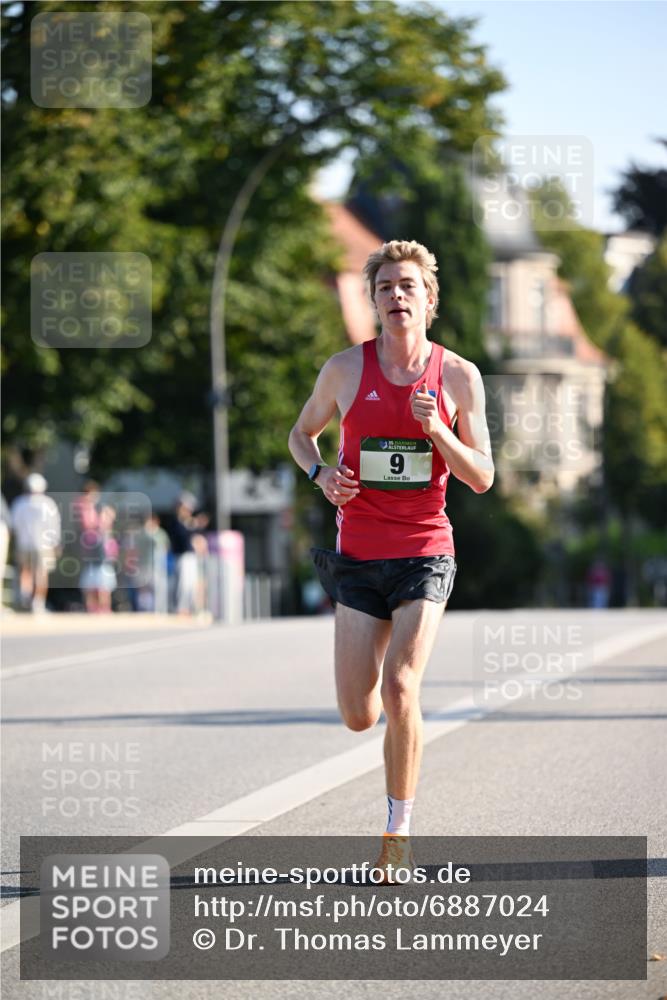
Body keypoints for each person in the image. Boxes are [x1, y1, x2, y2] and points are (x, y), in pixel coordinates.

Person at [288, 240, 494, 879]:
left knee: (403, 684)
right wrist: (321, 473)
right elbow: (301, 435)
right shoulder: (344, 370)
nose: (396, 297)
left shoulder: (458, 377)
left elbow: (483, 475)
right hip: (359, 555)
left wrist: (439, 432)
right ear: (373, 301)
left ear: (429, 299)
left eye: (407, 286)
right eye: (384, 288)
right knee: (359, 713)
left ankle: (397, 832)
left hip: (424, 552)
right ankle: (381, 722)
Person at [9, 473, 62, 613]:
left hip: (23, 543)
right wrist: (55, 543)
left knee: (24, 572)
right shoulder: (47, 503)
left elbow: (13, 526)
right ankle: (38, 603)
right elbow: (54, 526)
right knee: (41, 573)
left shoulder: (19, 502)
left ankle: (24, 598)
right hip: (43, 544)